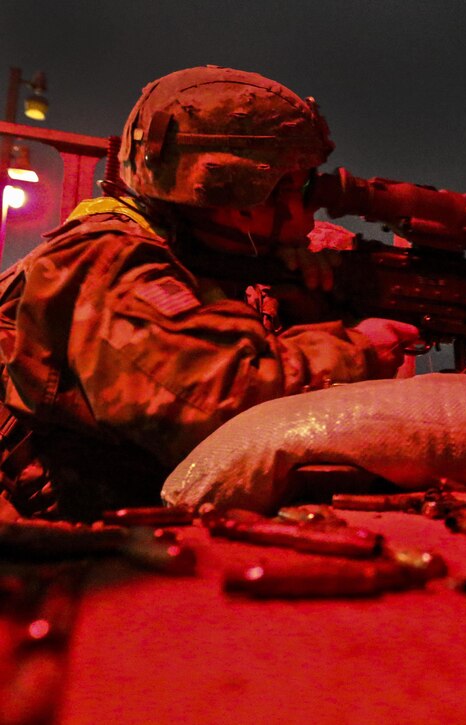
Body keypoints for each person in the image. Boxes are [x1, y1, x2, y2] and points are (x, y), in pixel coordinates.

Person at [0, 65, 419, 520]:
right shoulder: (104, 259)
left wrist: (311, 295)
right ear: (240, 197)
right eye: (300, 187)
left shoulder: (194, 253)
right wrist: (360, 349)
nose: (314, 205)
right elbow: (214, 403)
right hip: (60, 546)